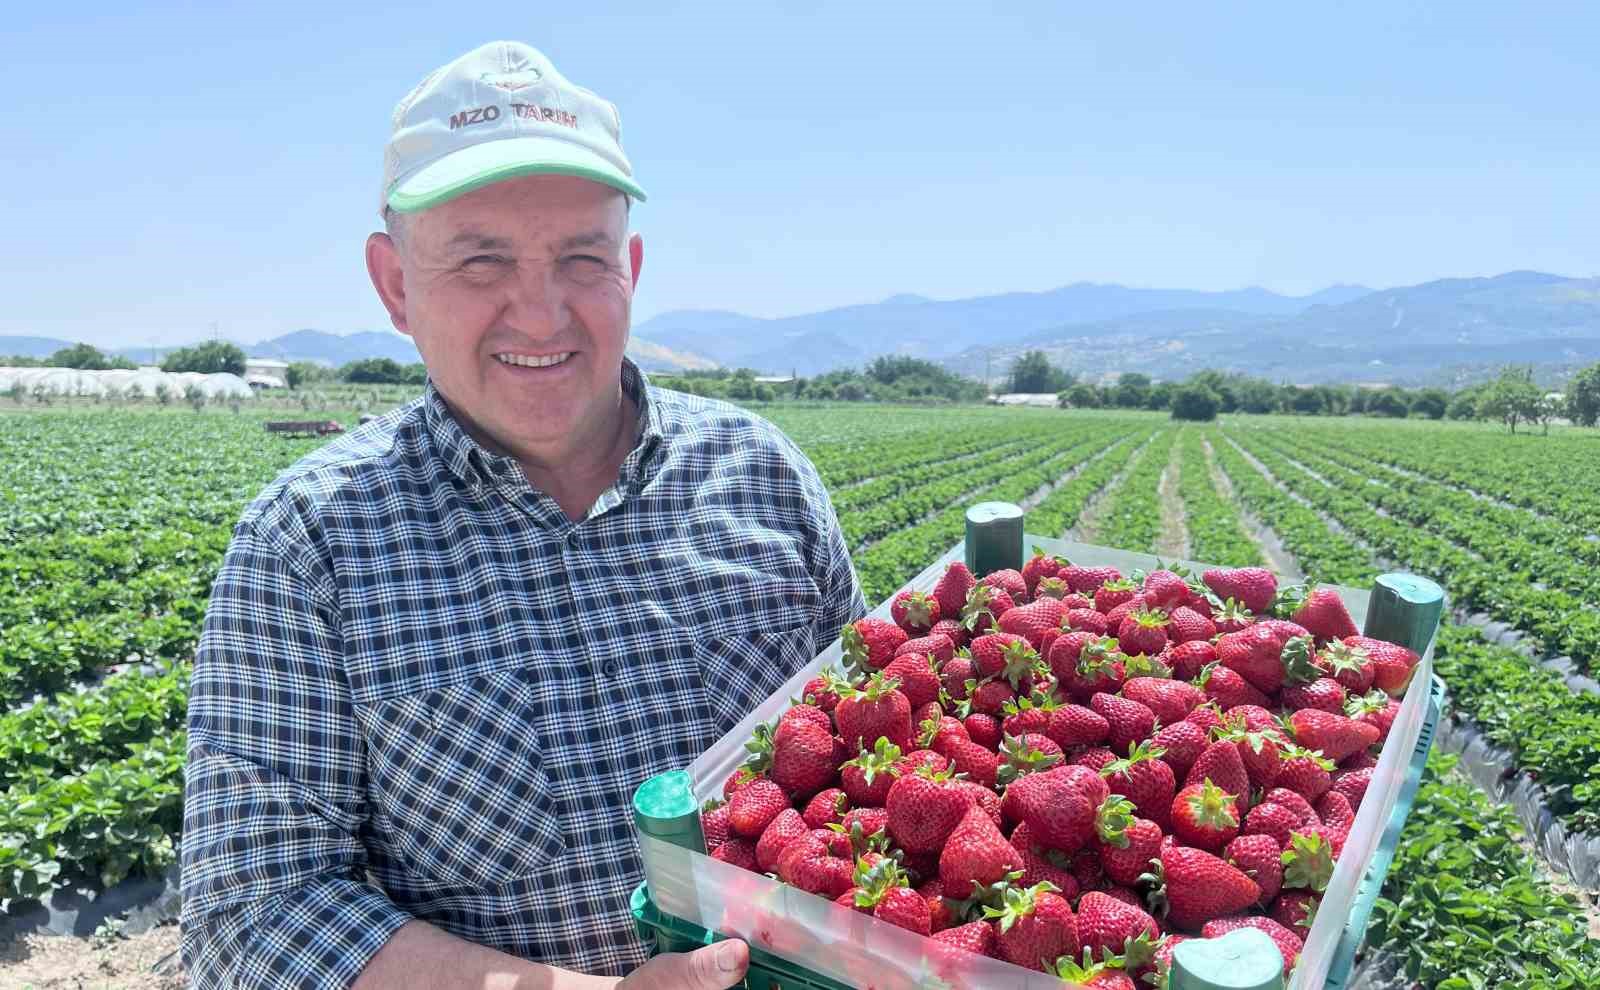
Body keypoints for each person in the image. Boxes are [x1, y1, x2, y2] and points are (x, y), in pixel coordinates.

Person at [180, 41, 865, 989]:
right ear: (394, 284)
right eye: (480, 260)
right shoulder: (310, 547)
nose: (539, 316)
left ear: (629, 265)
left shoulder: (764, 477)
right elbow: (252, 920)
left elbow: (878, 756)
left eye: (581, 257)